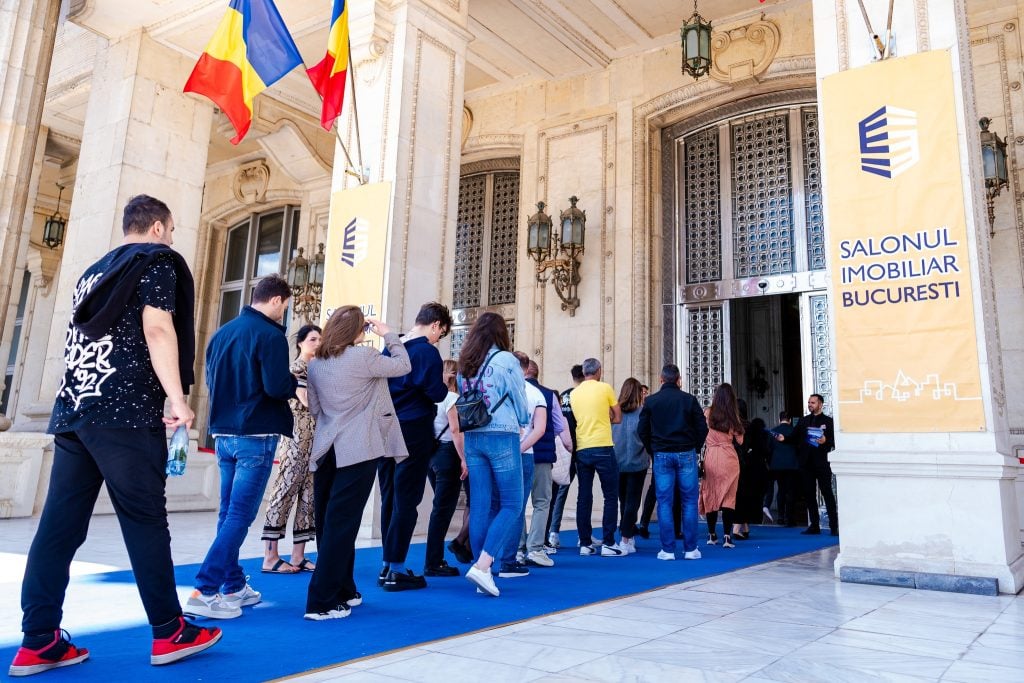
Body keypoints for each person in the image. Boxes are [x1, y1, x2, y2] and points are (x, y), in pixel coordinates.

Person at [11, 195, 220, 677]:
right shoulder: (157, 259)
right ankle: (170, 631)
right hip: (124, 412)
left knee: (58, 528)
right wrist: (178, 399)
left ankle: (39, 640)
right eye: (172, 229)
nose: (172, 237)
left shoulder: (93, 272)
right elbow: (158, 329)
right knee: (145, 520)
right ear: (159, 228)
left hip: (75, 410)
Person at [188, 274, 297, 619]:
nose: (284, 312)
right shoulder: (271, 335)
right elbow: (277, 387)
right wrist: (295, 382)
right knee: (240, 515)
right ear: (277, 300)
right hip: (256, 434)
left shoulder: (221, 334)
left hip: (223, 433)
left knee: (228, 513)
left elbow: (211, 381)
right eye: (285, 306)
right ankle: (205, 590)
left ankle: (233, 585)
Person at [303, 307, 411, 620]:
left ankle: (345, 589)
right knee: (342, 525)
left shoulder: (316, 364)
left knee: (330, 523)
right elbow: (403, 365)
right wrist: (388, 333)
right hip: (358, 448)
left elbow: (316, 409)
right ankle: (321, 602)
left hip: (327, 448)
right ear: (355, 331)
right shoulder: (364, 357)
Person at [377, 302, 452, 591]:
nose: (438, 339)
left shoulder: (392, 347)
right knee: (407, 498)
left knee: (389, 496)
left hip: (386, 426)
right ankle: (396, 568)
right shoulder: (426, 352)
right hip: (413, 428)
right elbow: (435, 392)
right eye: (441, 333)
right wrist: (443, 385)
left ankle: (387, 564)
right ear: (435, 325)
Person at [456, 312, 530, 597]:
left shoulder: (466, 362)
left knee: (481, 505)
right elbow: (519, 397)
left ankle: (481, 569)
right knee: (512, 503)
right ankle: (483, 566)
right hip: (501, 434)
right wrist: (523, 421)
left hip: (473, 436)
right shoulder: (506, 360)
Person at [262, 324, 322, 574]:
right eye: (312, 339)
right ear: (300, 343)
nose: (317, 343)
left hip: (315, 440)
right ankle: (270, 556)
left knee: (309, 496)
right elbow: (307, 401)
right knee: (284, 490)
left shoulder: (317, 370)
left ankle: (298, 555)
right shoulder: (296, 369)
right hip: (295, 438)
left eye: (320, 339)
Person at [637, 364, 708, 561]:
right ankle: (690, 549)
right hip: (686, 452)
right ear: (679, 380)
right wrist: (695, 447)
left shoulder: (651, 401)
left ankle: (668, 550)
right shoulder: (689, 400)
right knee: (689, 502)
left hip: (662, 454)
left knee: (664, 502)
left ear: (661, 380)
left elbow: (642, 430)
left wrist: (653, 449)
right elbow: (702, 427)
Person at [495, 351, 547, 578]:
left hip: (495, 452)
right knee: (515, 508)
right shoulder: (535, 393)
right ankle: (509, 559)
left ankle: (486, 558)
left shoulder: (497, 387)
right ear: (526, 369)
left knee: (494, 506)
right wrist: (519, 449)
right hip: (523, 454)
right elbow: (540, 429)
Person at [520, 359, 571, 568]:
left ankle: (518, 549)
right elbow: (560, 425)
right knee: (541, 502)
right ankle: (535, 548)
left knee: (518, 503)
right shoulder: (548, 395)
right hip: (542, 456)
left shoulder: (514, 391)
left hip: (518, 454)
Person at [570, 357, 624, 557]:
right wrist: (606, 417)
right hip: (602, 446)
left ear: (584, 372)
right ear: (599, 370)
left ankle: (585, 543)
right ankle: (608, 542)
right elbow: (618, 417)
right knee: (610, 495)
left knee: (584, 496)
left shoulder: (574, 393)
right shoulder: (605, 388)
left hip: (582, 447)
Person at [423, 360, 468, 577]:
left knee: (439, 507)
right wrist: (463, 459)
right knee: (442, 510)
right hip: (448, 453)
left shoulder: (431, 396)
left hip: (431, 454)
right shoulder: (451, 398)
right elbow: (456, 430)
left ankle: (434, 559)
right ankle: (433, 561)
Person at [777, 394, 838, 535]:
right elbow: (793, 437)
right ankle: (814, 525)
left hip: (822, 462)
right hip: (806, 463)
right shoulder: (803, 421)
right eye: (809, 402)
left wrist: (826, 441)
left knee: (827, 493)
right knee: (809, 494)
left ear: (820, 404)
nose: (810, 405)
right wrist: (783, 438)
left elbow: (835, 441)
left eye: (813, 402)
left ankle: (834, 526)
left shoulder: (829, 422)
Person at [699, 382, 745, 549]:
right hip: (729, 458)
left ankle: (712, 535)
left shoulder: (708, 413)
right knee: (729, 497)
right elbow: (740, 440)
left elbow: (701, 433)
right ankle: (727, 536)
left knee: (710, 493)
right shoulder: (733, 416)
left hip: (712, 456)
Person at [546, 364, 583, 549]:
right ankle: (583, 535)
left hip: (562, 448)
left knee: (560, 491)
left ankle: (553, 532)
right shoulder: (582, 395)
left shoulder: (564, 395)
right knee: (583, 491)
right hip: (579, 446)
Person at [612, 378, 649, 555]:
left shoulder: (614, 412)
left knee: (624, 500)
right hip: (637, 462)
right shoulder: (642, 413)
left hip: (618, 461)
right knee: (632, 501)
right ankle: (626, 537)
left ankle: (627, 532)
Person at [733, 417, 771, 540]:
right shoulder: (763, 437)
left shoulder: (745, 437)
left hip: (745, 471)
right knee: (750, 500)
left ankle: (741, 528)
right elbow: (767, 452)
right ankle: (741, 528)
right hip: (758, 471)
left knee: (742, 499)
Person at [766, 411, 800, 526]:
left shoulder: (773, 431)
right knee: (791, 491)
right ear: (790, 420)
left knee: (781, 490)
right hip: (792, 465)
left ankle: (780, 517)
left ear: (779, 419)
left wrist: (771, 463)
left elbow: (769, 450)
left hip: (777, 465)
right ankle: (790, 518)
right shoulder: (794, 431)